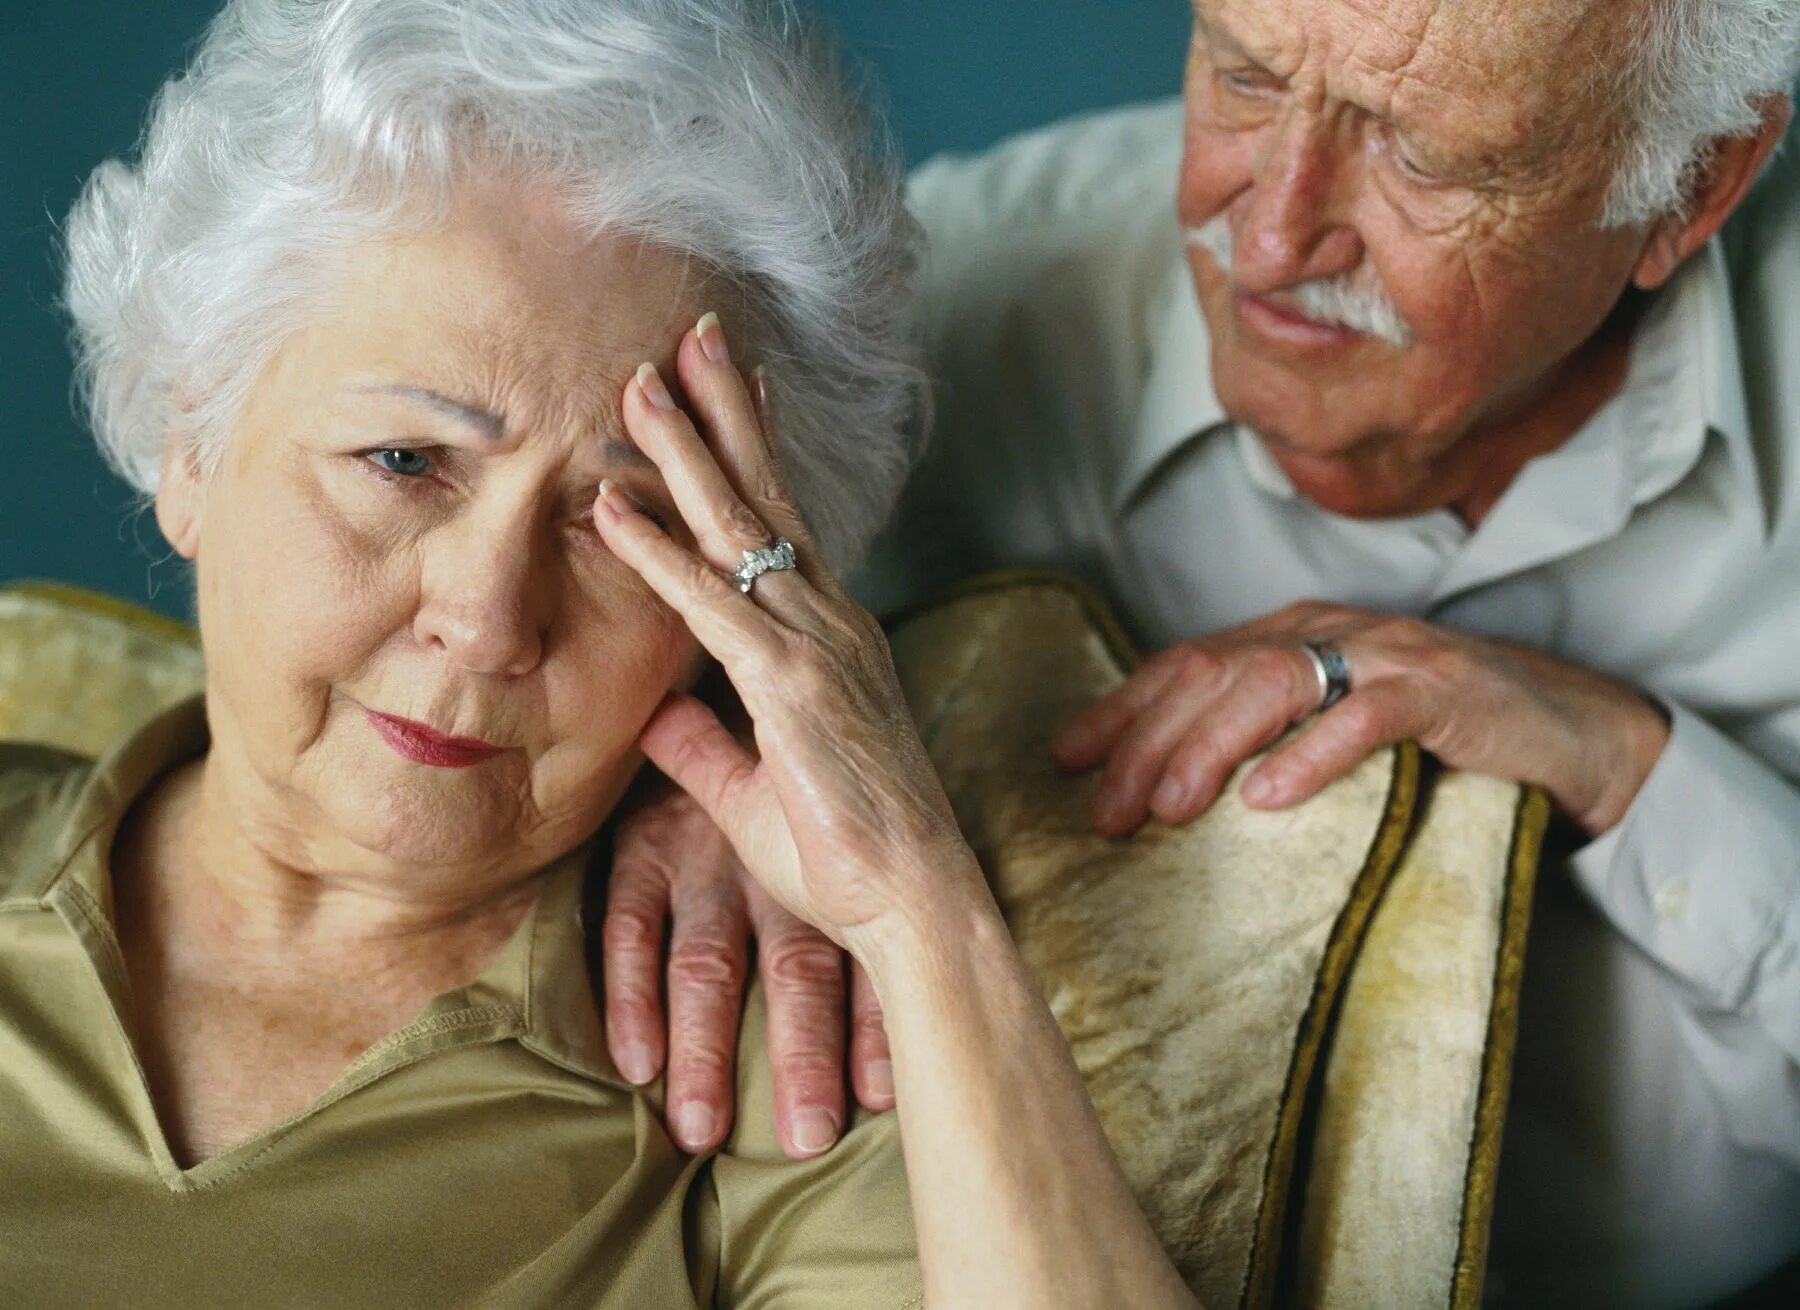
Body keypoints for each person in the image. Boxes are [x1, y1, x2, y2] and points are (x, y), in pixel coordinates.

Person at [0, 1, 1200, 1304]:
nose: (491, 617)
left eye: (625, 520)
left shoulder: (775, 1068)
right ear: (193, 446)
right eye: (405, 462)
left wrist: (920, 908)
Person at [611, 0, 1800, 1304]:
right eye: (1244, 76)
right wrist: (683, 734)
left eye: (1424, 158)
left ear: (1696, 184)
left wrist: (1619, 752)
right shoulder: (934, 313)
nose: (1274, 234)